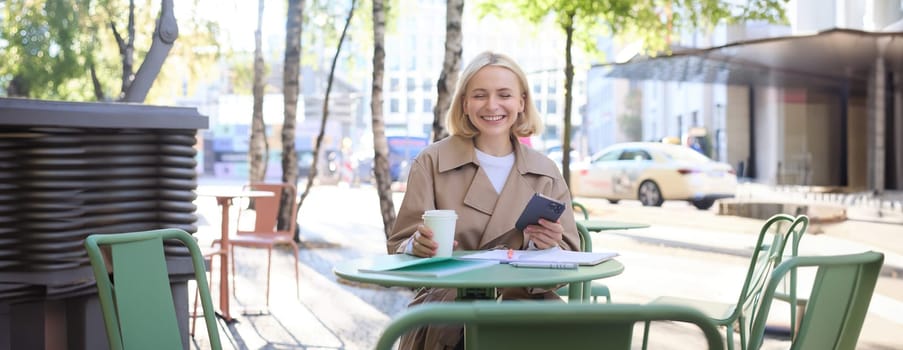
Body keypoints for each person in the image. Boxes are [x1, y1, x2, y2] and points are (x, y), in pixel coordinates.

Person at [386, 51, 580, 350]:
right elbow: (399, 245)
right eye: (479, 95)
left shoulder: (546, 171)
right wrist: (417, 246)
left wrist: (545, 245)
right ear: (464, 103)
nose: (492, 105)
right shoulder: (432, 162)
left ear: (521, 103)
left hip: (526, 308)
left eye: (504, 94)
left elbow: (569, 259)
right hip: (450, 311)